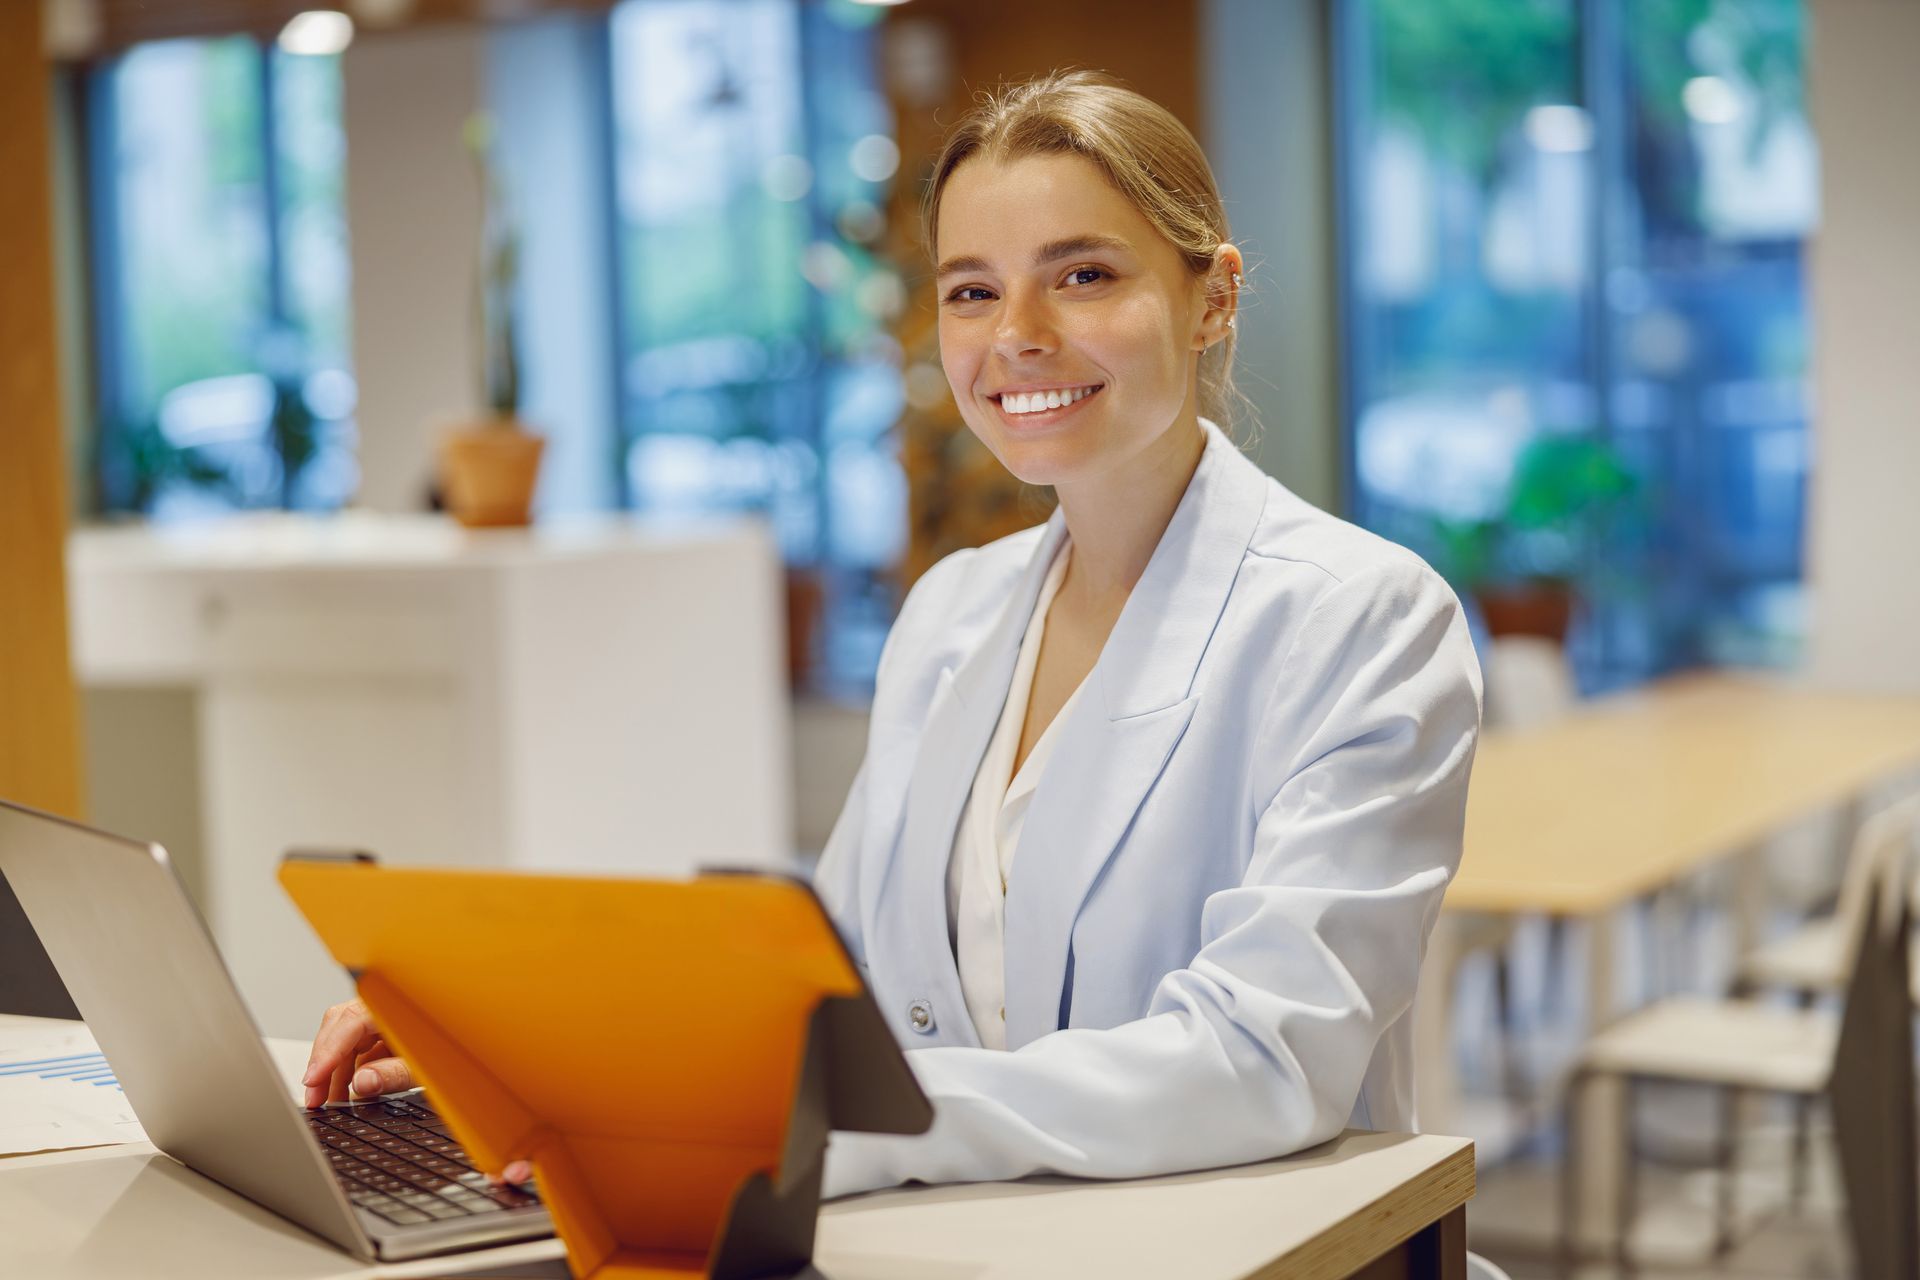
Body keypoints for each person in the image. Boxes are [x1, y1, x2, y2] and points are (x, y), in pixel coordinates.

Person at [302, 69, 1482, 1201]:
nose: (1016, 333)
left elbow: (1263, 1059)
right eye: (971, 288)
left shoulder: (1361, 619)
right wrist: (508, 1027)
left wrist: (844, 1122)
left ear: (1212, 296)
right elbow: (831, 987)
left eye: (1080, 275)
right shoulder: (954, 610)